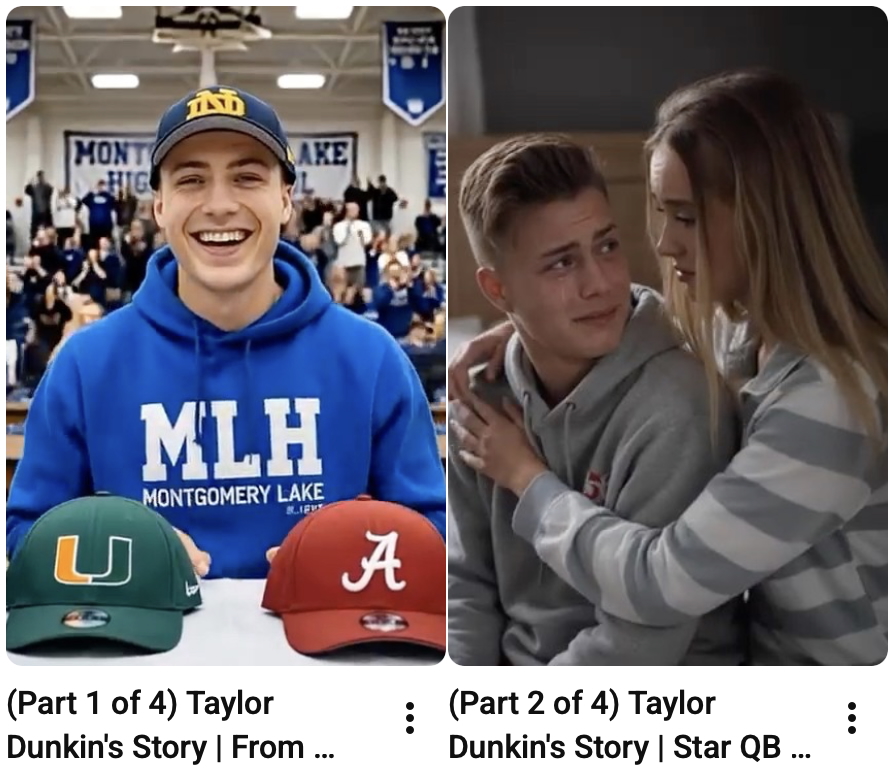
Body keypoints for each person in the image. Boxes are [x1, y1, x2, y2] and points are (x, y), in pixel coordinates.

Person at [449, 70, 887, 666]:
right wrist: (522, 324)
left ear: (766, 217)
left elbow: (660, 586)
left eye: (687, 217)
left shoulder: (830, 401)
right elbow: (641, 314)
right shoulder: (738, 335)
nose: (663, 244)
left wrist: (527, 478)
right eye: (663, 213)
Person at [6, 85, 446, 580]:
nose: (219, 204)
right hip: (141, 630)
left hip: (326, 629)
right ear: (159, 207)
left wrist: (344, 553)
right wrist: (118, 545)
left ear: (285, 200)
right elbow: (26, 533)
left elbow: (431, 530)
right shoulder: (84, 365)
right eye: (191, 180)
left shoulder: (373, 359)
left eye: (247, 177)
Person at [449, 133, 744, 666]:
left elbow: (639, 646)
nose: (601, 284)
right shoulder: (480, 397)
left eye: (607, 246)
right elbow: (465, 587)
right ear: (497, 290)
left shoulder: (680, 408)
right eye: (562, 264)